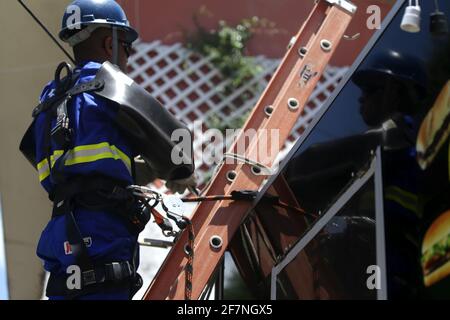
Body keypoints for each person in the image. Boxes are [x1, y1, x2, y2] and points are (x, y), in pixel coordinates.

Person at [19, 0, 196, 300]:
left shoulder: (47, 102)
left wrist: (137, 171)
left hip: (61, 232)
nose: (128, 54)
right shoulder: (109, 82)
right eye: (127, 45)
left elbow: (36, 152)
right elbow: (177, 140)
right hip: (102, 232)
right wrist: (181, 171)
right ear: (108, 42)